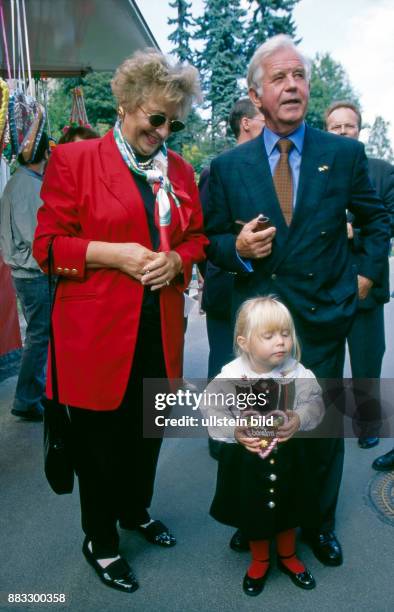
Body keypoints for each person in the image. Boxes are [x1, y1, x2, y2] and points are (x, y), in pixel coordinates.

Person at [205, 34, 390, 567]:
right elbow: (210, 241)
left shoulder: (344, 153)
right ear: (256, 93)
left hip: (325, 315)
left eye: (299, 75)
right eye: (279, 77)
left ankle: (318, 522)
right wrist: (236, 249)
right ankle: (260, 521)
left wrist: (363, 280)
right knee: (261, 428)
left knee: (319, 430)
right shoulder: (228, 167)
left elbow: (378, 221)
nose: (292, 85)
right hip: (262, 326)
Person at [33, 50, 207, 594]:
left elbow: (196, 236)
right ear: (126, 104)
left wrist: (178, 259)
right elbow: (47, 248)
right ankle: (100, 540)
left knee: (150, 434)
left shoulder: (179, 170)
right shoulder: (75, 160)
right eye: (156, 118)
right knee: (100, 446)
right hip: (97, 337)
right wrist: (116, 255)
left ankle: (135, 511)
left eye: (174, 122)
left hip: (162, 330)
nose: (164, 131)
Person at [199, 296, 324, 596]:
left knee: (288, 507)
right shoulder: (230, 376)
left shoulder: (297, 371)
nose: (280, 342)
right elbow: (210, 408)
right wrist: (234, 429)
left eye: (285, 333)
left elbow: (316, 401)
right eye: (268, 336)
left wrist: (300, 417)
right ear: (244, 341)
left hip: (289, 457)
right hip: (247, 461)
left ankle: (288, 556)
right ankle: (260, 559)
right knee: (253, 511)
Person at [199, 98, 265, 467]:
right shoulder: (218, 171)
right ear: (245, 124)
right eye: (261, 119)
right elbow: (208, 234)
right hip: (226, 289)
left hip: (254, 290)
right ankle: (219, 434)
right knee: (224, 364)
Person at [325, 100, 394, 449]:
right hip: (326, 287)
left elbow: (390, 223)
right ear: (326, 131)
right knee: (325, 361)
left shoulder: (382, 171)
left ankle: (368, 424)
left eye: (347, 126)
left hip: (368, 282)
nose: (341, 132)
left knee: (367, 360)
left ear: (359, 129)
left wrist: (355, 233)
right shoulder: (317, 171)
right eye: (335, 127)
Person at [0, 132, 51, 420]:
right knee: (39, 335)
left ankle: (33, 393)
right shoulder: (28, 187)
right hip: (32, 272)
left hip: (24, 270)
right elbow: (38, 238)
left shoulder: (19, 181)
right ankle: (27, 397)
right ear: (45, 155)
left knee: (38, 334)